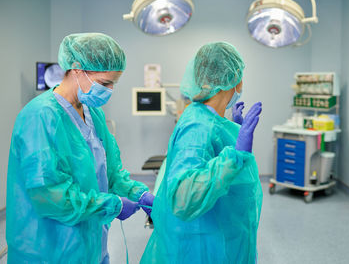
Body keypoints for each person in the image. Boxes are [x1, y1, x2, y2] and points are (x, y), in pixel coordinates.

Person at [6, 33, 154, 263]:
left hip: (90, 244)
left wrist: (139, 193)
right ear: (76, 69)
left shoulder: (93, 114)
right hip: (48, 249)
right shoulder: (40, 117)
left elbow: (111, 172)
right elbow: (49, 195)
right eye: (105, 83)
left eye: (114, 83)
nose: (110, 90)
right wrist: (112, 205)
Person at [141, 42, 263, 263]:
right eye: (239, 75)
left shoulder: (207, 119)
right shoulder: (198, 126)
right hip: (202, 244)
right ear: (232, 79)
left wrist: (234, 133)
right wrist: (235, 157)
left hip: (217, 231)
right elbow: (184, 198)